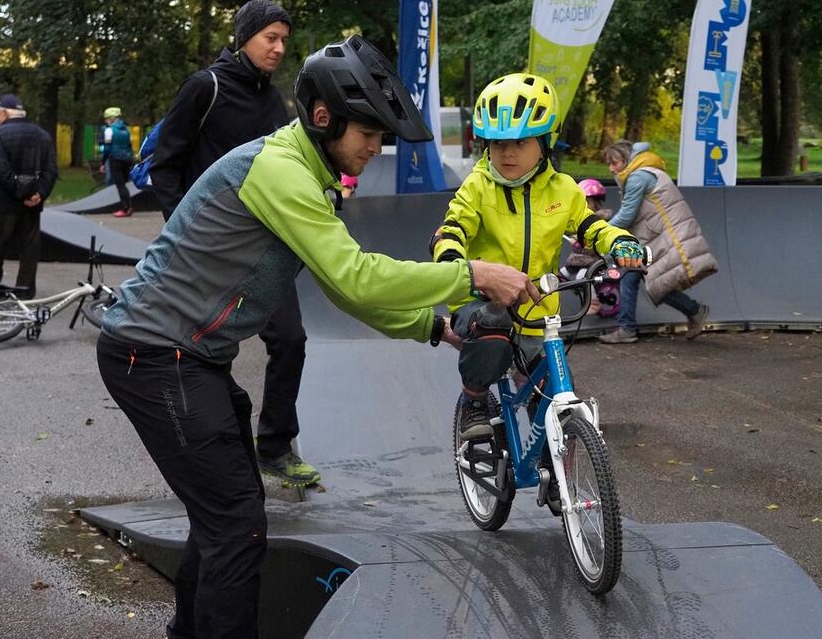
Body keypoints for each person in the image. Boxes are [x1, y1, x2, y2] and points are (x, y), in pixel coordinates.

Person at [96, 34, 537, 639]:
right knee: (236, 524)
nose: (375, 148)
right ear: (324, 117)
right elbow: (355, 275)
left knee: (222, 515)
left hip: (190, 358)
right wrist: (472, 274)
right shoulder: (281, 171)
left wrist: (434, 327)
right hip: (153, 355)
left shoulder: (309, 169)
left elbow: (347, 289)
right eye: (368, 134)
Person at [149, 0, 318, 486]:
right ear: (244, 37)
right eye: (271, 38)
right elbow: (166, 165)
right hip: (208, 250)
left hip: (265, 245)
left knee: (291, 339)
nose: (279, 48)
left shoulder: (273, 99)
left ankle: (275, 446)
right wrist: (183, 232)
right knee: (200, 349)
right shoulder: (206, 87)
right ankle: (205, 452)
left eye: (284, 40)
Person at [430, 73, 646, 439]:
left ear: (545, 142)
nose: (507, 153)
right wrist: (451, 260)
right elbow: (453, 228)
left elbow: (592, 227)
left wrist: (620, 243)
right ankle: (475, 401)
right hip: (480, 303)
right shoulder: (478, 186)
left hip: (538, 309)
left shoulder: (564, 190)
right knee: (492, 326)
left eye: (519, 142)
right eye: (497, 144)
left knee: (558, 410)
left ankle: (564, 488)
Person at [598, 140, 716, 344]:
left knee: (653, 283)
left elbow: (627, 216)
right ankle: (630, 327)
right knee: (636, 279)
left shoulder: (637, 177)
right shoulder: (645, 171)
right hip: (657, 236)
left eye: (615, 162)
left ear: (626, 158)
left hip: (663, 238)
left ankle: (630, 328)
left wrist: (600, 231)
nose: (611, 168)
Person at [0, 94, 57, 300]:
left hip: (3, 204)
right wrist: (38, 194)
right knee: (29, 248)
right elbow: (51, 170)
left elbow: (0, 172)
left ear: (4, 113)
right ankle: (25, 289)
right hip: (32, 206)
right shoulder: (43, 135)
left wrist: (20, 194)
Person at [565, 178, 620, 317]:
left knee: (582, 275)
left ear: (596, 203)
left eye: (587, 202)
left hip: (599, 261)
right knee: (564, 272)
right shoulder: (579, 219)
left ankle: (593, 303)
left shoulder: (600, 220)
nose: (583, 206)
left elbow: (598, 241)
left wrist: (580, 241)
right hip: (584, 259)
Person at [98, 107, 135, 217]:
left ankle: (126, 208)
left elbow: (107, 149)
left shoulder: (109, 130)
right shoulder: (126, 130)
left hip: (115, 159)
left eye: (107, 119)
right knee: (124, 184)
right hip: (127, 159)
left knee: (120, 185)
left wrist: (103, 162)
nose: (106, 121)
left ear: (112, 118)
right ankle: (128, 205)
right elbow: (129, 145)